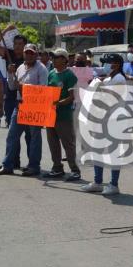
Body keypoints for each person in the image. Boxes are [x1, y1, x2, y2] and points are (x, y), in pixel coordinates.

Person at [0, 43, 48, 177]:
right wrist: (10, 73)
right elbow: (12, 87)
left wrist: (24, 87)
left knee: (35, 137)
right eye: (27, 52)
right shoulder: (19, 68)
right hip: (20, 105)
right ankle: (7, 165)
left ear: (36, 54)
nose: (29, 55)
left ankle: (34, 166)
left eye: (31, 53)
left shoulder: (41, 69)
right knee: (12, 135)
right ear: (23, 54)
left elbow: (43, 90)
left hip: (35, 106)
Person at [82, 53, 128, 195]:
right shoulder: (109, 78)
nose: (106, 66)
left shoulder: (119, 79)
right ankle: (97, 182)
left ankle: (114, 184)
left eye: (109, 63)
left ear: (117, 64)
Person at [45, 48, 80, 181]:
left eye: (56, 57)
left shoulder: (69, 75)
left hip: (64, 116)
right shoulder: (51, 73)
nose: (53, 59)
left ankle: (75, 170)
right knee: (53, 143)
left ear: (64, 60)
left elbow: (72, 97)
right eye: (52, 57)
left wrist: (58, 103)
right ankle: (57, 168)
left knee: (68, 144)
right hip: (50, 115)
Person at [0, 25, 25, 130]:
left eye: (20, 44)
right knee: (11, 127)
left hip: (24, 94)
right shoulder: (9, 54)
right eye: (15, 44)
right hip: (11, 94)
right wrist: (6, 30)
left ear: (25, 45)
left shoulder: (29, 56)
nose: (17, 46)